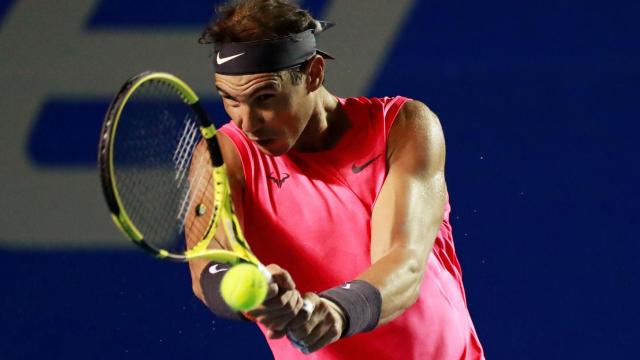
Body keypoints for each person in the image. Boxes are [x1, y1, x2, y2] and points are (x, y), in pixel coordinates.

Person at [188, 0, 485, 359]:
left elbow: (403, 263)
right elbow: (209, 265)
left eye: (264, 98)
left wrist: (338, 311)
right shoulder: (223, 156)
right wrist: (253, 295)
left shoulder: (403, 127)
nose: (247, 123)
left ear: (313, 74)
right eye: (230, 100)